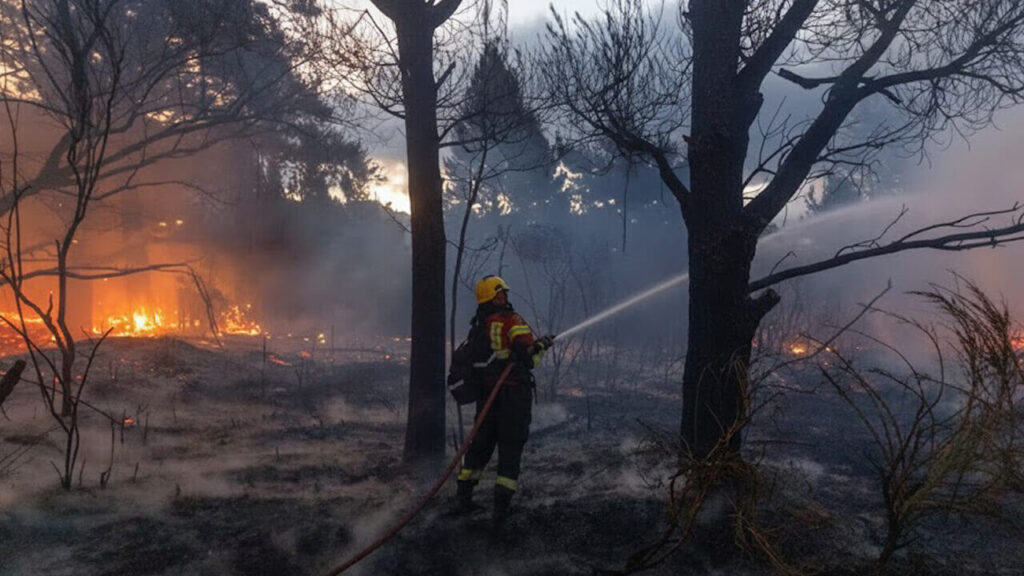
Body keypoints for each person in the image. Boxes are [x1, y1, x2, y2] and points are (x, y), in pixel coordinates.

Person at [453, 275, 553, 526]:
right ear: (491, 297)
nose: (504, 297)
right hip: (512, 397)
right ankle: (500, 511)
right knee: (510, 448)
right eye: (500, 294)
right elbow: (528, 357)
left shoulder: (480, 324)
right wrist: (543, 345)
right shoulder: (511, 320)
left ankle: (463, 497)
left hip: (489, 396)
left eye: (504, 294)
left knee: (480, 445)